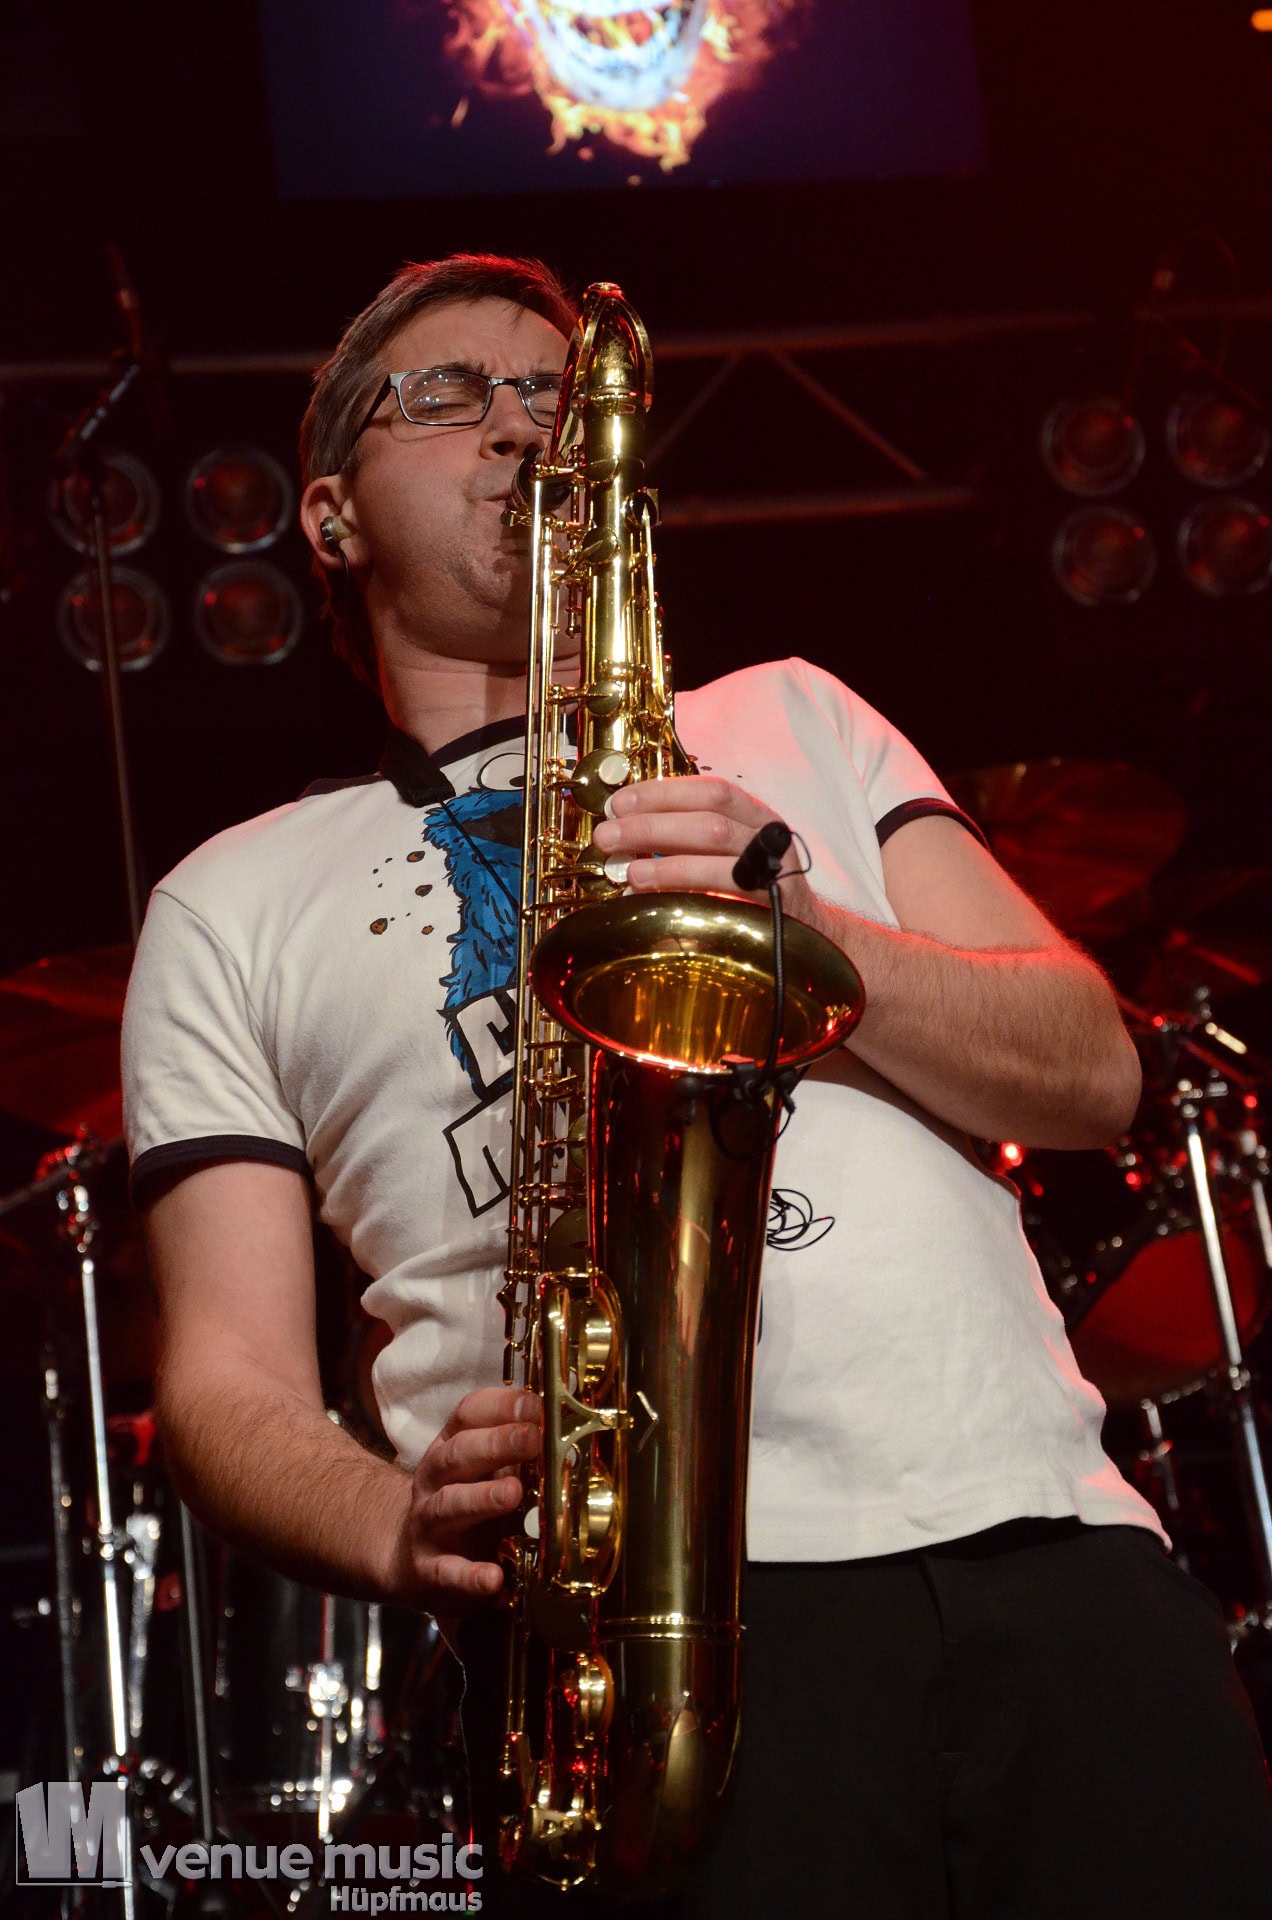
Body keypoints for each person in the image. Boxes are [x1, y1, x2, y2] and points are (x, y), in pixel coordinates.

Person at [123, 253, 1272, 1919]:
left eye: (549, 394)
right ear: (330, 515)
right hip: (626, 1626)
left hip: (1051, 1545)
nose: (519, 428)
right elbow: (226, 1381)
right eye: (450, 396)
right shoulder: (228, 898)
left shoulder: (793, 716)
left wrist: (807, 931)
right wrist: (389, 1528)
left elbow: (1094, 1071)